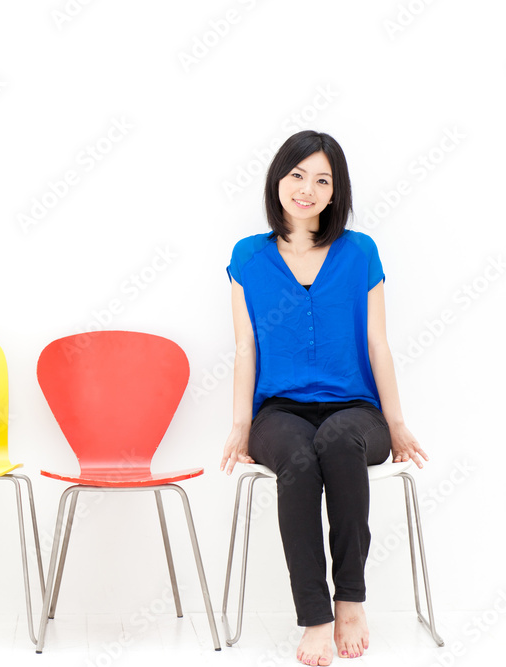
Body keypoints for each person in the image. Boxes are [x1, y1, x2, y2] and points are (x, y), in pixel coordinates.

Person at [219, 130, 428, 666]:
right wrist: (241, 426)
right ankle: (314, 616)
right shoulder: (248, 256)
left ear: (335, 192)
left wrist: (397, 423)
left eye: (321, 180)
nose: (306, 189)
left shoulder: (359, 253)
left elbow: (378, 344)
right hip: (280, 411)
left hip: (356, 410)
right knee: (295, 455)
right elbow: (244, 347)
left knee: (336, 441)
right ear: (278, 180)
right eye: (296, 175)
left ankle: (350, 599)